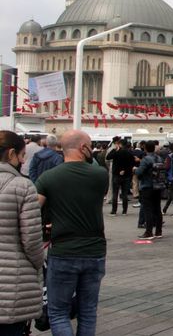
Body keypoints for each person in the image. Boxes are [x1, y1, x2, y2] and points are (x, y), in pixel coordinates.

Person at [35, 130, 108, 335]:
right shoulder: (100, 175)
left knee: (58, 312)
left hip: (63, 251)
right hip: (94, 251)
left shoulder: (48, 178)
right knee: (88, 311)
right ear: (83, 148)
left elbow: (33, 209)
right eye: (90, 145)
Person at [0, 131, 44, 335]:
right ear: (11, 154)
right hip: (12, 283)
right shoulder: (23, 186)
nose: (24, 160)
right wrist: (38, 264)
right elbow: (32, 239)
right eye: (22, 155)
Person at [135, 141, 164, 240]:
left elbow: (139, 172)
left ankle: (149, 232)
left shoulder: (146, 159)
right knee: (157, 209)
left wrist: (134, 169)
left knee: (148, 210)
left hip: (147, 186)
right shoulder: (159, 158)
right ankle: (158, 231)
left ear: (145, 148)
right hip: (158, 185)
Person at [106, 139, 135, 216]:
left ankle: (114, 211)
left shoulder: (116, 152)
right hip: (127, 175)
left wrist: (114, 150)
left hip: (116, 174)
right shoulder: (129, 153)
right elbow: (132, 163)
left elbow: (108, 157)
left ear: (119, 144)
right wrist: (125, 170)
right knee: (124, 194)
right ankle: (124, 211)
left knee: (115, 193)